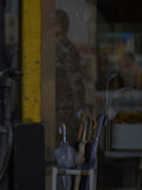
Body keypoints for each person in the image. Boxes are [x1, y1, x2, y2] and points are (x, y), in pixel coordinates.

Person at [55, 9, 87, 146]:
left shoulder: (66, 50)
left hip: (65, 109)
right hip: (55, 107)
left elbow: (76, 84)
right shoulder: (52, 47)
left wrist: (80, 109)